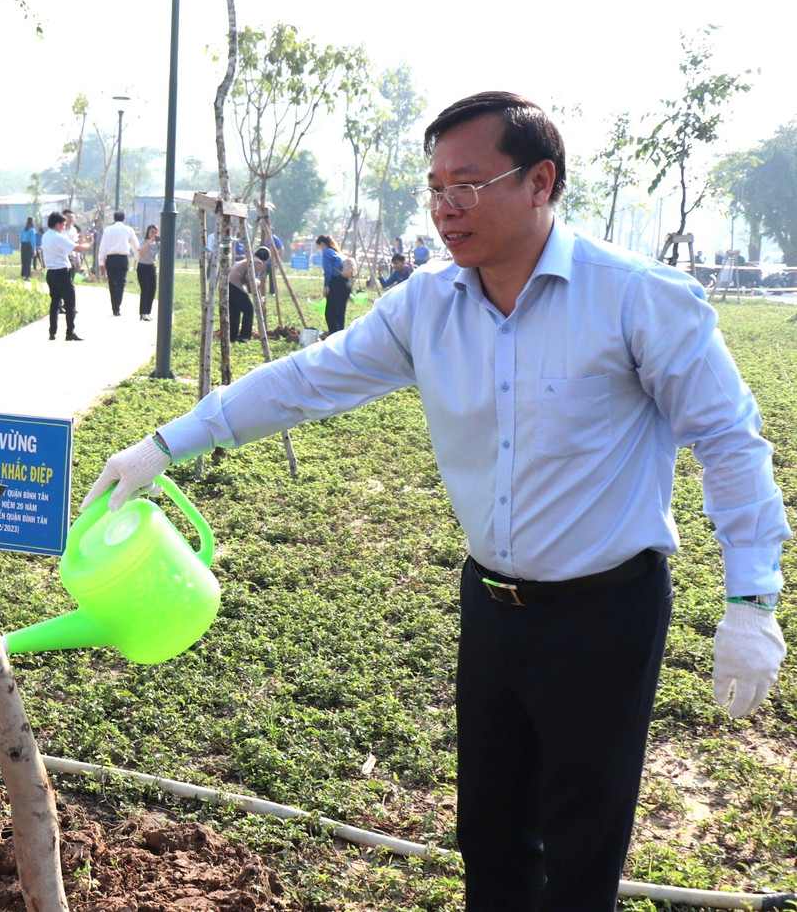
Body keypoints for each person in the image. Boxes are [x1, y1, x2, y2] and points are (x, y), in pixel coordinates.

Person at [82, 91, 789, 911]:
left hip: (605, 612)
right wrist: (169, 441)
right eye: (435, 189)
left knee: (583, 851)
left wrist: (751, 599)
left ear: (540, 182)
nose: (446, 208)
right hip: (491, 602)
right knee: (490, 837)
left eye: (468, 184)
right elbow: (310, 379)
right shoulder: (428, 303)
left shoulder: (636, 297)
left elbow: (729, 439)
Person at [40, 211, 90, 341]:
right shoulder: (58, 237)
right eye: (63, 224)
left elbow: (71, 245)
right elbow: (78, 248)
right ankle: (70, 332)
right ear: (57, 225)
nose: (64, 227)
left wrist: (81, 240)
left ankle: (52, 332)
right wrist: (89, 243)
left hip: (51, 272)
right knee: (70, 302)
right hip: (62, 272)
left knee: (55, 303)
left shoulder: (46, 236)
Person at [97, 211, 140, 316]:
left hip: (111, 259)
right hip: (123, 259)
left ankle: (114, 306)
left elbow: (103, 246)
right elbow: (136, 245)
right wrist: (138, 258)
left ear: (114, 218)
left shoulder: (108, 230)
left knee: (112, 282)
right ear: (124, 219)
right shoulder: (128, 230)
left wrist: (101, 261)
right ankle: (117, 306)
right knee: (121, 282)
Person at [226, 246, 269, 342]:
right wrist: (251, 290)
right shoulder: (258, 262)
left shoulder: (249, 259)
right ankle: (244, 336)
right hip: (235, 284)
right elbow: (249, 277)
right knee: (249, 309)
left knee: (235, 311)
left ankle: (232, 336)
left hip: (228, 284)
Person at [316, 235, 350, 334]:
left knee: (330, 313)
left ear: (322, 244)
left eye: (319, 247)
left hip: (336, 283)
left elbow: (328, 271)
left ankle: (334, 336)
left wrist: (326, 286)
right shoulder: (336, 252)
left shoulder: (327, 253)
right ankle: (340, 337)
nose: (319, 249)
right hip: (346, 283)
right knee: (340, 313)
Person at [136, 224, 160, 321]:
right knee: (145, 289)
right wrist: (149, 242)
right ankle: (142, 312)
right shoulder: (144, 241)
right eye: (151, 232)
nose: (153, 234)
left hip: (151, 267)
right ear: (148, 232)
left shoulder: (158, 244)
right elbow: (141, 251)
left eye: (155, 232)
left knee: (152, 290)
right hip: (142, 267)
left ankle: (147, 312)